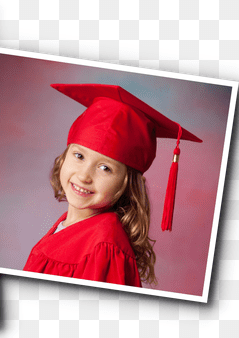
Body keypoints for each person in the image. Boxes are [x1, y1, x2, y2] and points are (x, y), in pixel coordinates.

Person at [23, 83, 202, 287]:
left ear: (126, 184)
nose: (84, 175)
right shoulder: (70, 226)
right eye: (79, 155)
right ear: (64, 157)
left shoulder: (105, 246)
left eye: (105, 168)